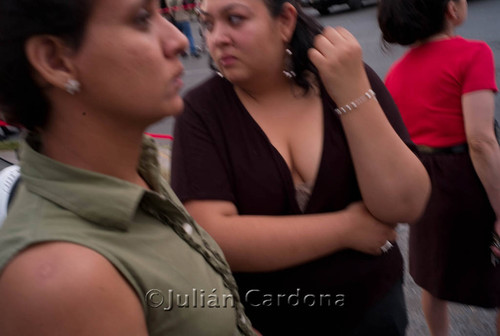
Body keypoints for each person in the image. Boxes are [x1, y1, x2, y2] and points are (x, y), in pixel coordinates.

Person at [170, 0, 431, 334]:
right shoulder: (201, 112)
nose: (217, 37)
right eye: (207, 24)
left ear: (285, 21)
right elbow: (214, 237)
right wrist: (347, 228)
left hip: (374, 311)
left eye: (235, 19)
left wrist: (353, 93)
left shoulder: (347, 79)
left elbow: (406, 204)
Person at [0, 1, 255, 335]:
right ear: (56, 61)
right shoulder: (64, 280)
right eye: (140, 19)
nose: (179, 39)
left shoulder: (135, 172)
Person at [378, 0, 500, 335]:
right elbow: (481, 141)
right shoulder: (474, 53)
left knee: (432, 274)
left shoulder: (396, 72)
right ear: (450, 9)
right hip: (468, 178)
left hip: (423, 184)